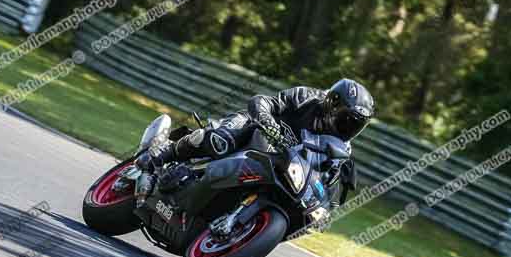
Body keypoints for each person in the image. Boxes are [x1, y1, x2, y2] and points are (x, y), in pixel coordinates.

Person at [141, 78, 375, 169]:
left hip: (276, 167)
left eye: (355, 124)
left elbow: (328, 186)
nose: (348, 127)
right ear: (333, 104)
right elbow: (263, 101)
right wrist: (267, 121)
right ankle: (162, 153)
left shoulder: (340, 151)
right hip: (253, 130)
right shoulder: (307, 98)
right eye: (346, 118)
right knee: (219, 140)